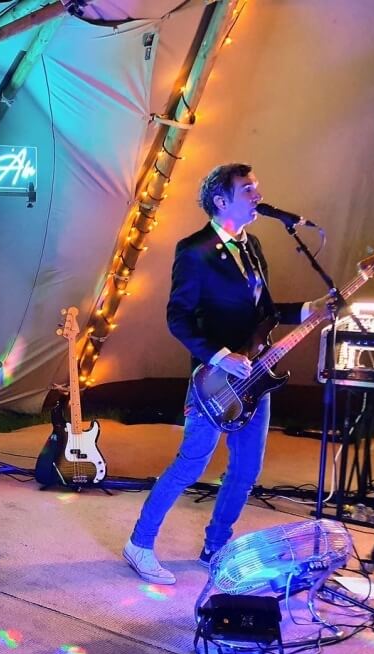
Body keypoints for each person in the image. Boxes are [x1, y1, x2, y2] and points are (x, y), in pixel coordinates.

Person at [123, 163, 328, 585]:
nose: (257, 196)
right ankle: (139, 544)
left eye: (257, 188)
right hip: (213, 380)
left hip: (256, 376)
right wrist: (219, 356)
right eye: (248, 189)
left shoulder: (253, 247)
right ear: (221, 200)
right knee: (190, 464)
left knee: (247, 469)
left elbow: (265, 314)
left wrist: (310, 310)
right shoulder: (194, 250)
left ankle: (216, 545)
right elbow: (178, 318)